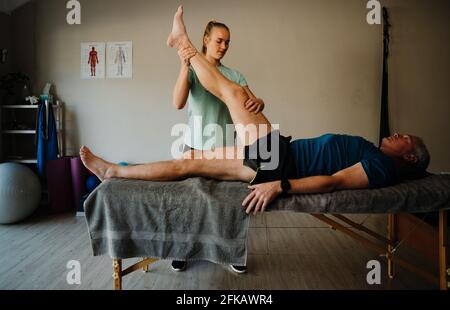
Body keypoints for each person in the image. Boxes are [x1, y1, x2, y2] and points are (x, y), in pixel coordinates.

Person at [80, 5, 430, 271]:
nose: (397, 134)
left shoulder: (384, 168)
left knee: (231, 93)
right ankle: (114, 172)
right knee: (187, 161)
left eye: (405, 138)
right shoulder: (380, 157)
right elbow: (178, 101)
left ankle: (181, 45)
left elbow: (335, 180)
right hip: (279, 156)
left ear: (410, 157)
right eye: (219, 40)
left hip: (282, 162)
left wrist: (281, 186)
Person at [171, 20, 265, 273]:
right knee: (189, 202)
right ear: (205, 40)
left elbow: (251, 103)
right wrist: (184, 65)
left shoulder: (235, 75)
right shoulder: (193, 70)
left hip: (225, 149)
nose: (223, 46)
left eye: (227, 42)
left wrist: (260, 102)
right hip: (193, 147)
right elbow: (178, 103)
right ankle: (182, 251)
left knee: (230, 203)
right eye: (218, 41)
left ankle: (233, 253)